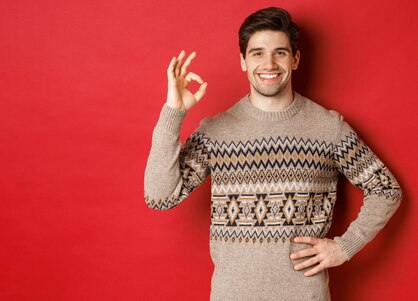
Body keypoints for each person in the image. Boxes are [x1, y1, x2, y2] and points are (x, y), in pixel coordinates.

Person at [143, 6, 402, 300]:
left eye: (280, 52)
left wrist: (345, 246)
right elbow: (159, 197)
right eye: (257, 53)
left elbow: (385, 189)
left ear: (295, 59)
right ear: (242, 61)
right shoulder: (216, 131)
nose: (269, 63)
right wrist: (173, 111)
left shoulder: (328, 127)